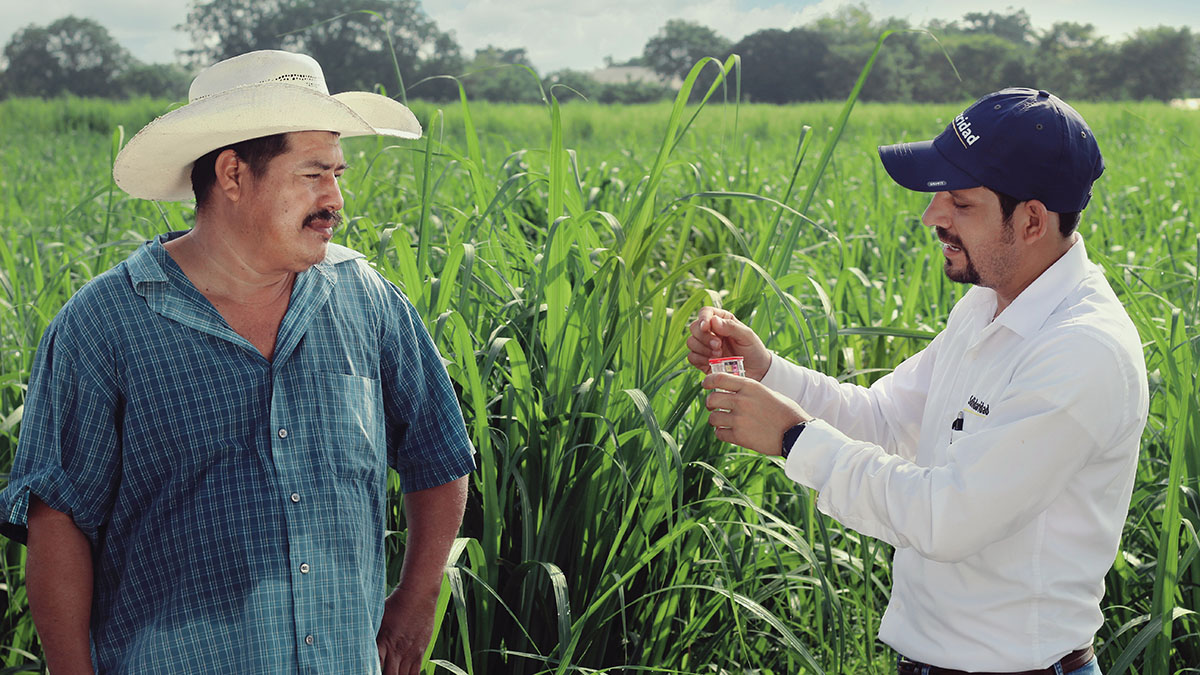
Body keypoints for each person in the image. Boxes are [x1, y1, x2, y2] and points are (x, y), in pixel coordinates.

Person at [0, 50, 476, 675]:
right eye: (312, 174)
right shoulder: (105, 325)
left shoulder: (365, 297)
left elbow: (438, 450)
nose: (335, 198)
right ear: (231, 174)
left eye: (337, 173)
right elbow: (58, 519)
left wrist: (417, 601)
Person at [687, 88, 1147, 674]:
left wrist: (794, 438)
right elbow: (885, 420)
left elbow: (948, 517)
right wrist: (768, 372)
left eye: (960, 202)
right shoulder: (988, 305)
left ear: (1032, 219)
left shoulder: (1082, 350)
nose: (932, 217)